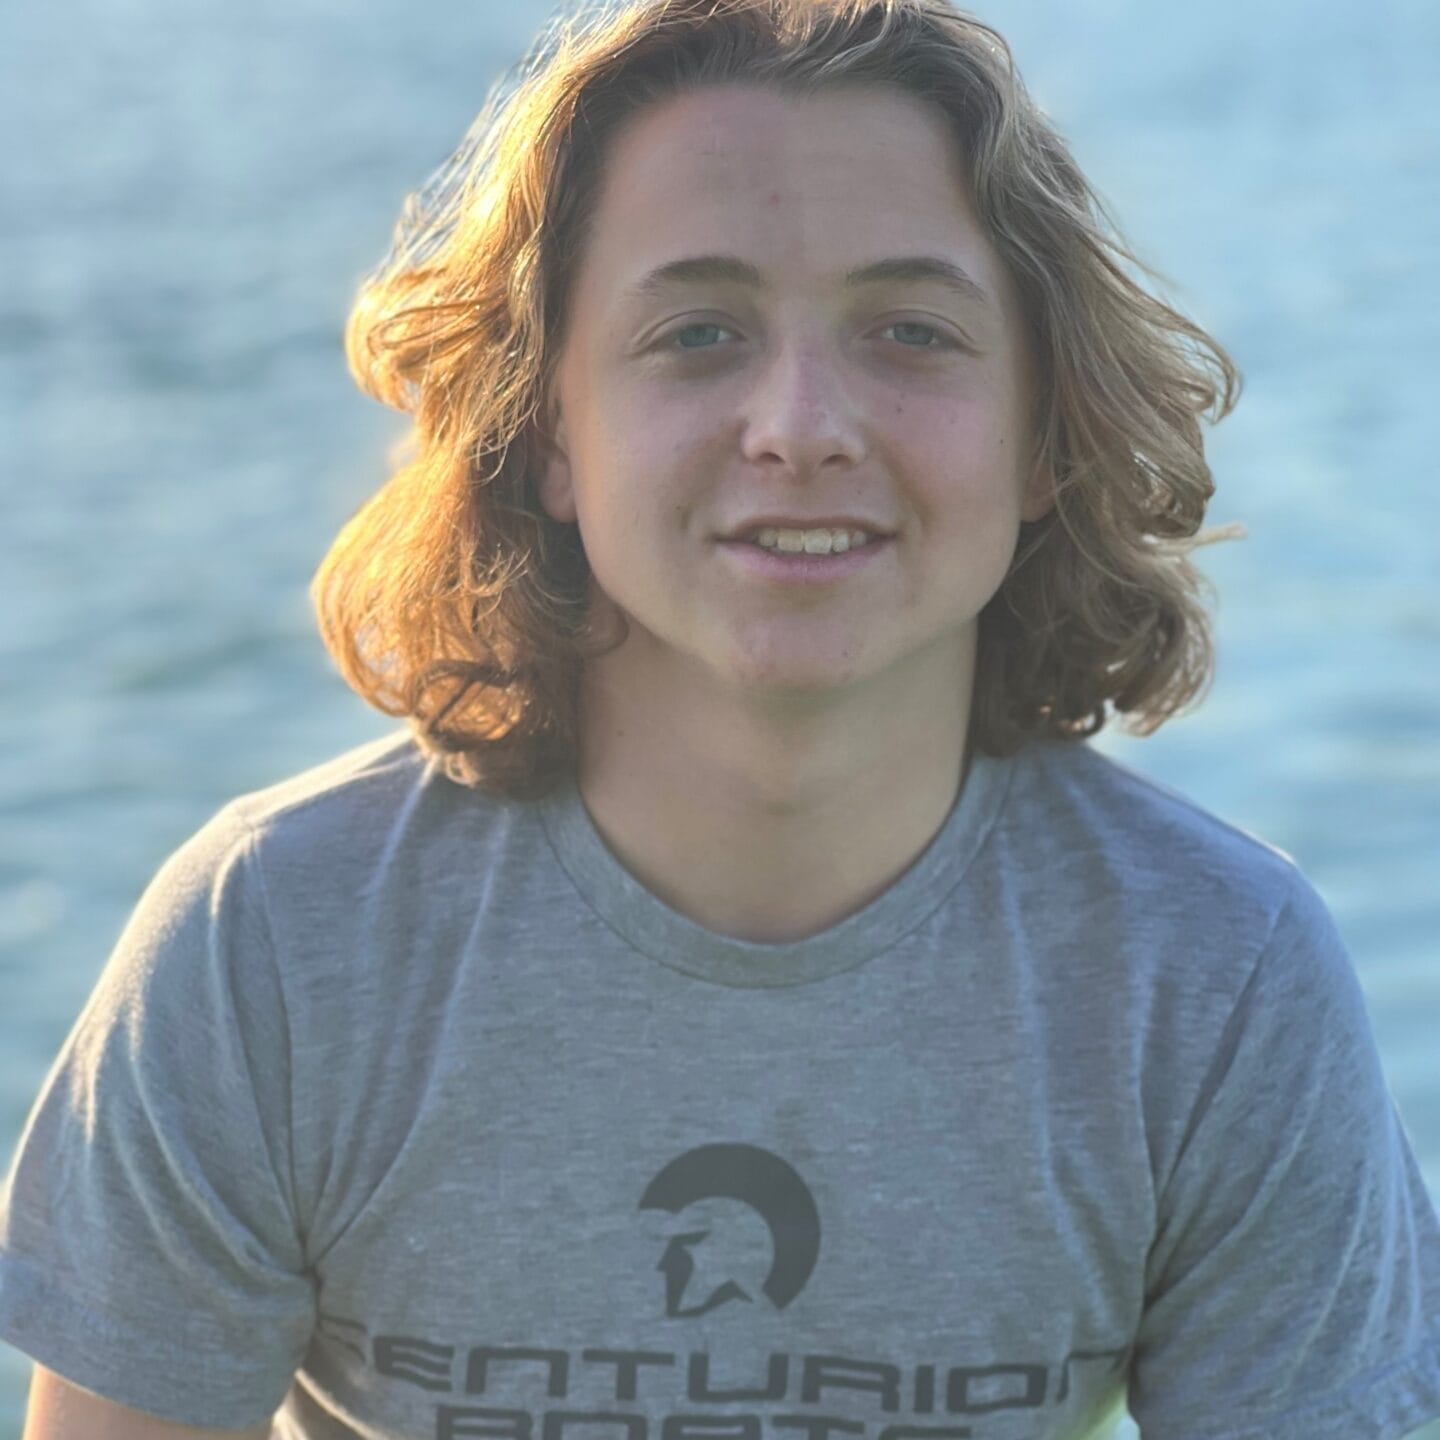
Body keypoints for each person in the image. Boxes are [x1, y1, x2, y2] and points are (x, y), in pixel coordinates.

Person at [2, 0, 1438, 1436]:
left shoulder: (1216, 979)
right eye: (698, 331)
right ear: (550, 426)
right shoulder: (273, 947)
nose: (801, 423)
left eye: (911, 331)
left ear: (1043, 434)